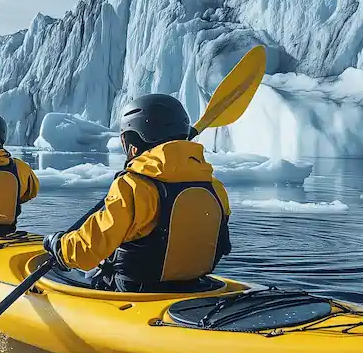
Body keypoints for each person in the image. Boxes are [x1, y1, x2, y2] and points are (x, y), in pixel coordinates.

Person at [42, 94, 230, 292]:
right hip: (196, 286)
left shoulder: (133, 187)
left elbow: (87, 251)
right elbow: (223, 246)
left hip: (138, 292)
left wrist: (60, 246)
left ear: (133, 142)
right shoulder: (214, 186)